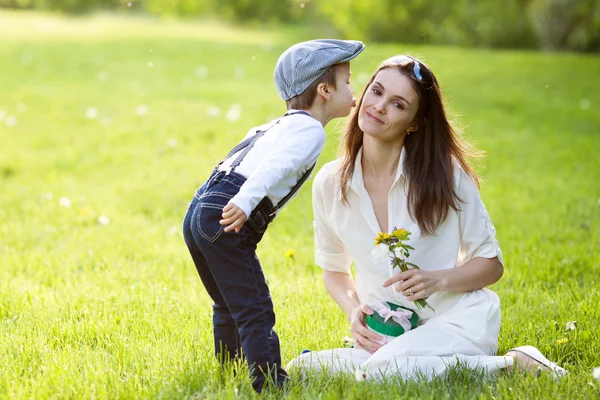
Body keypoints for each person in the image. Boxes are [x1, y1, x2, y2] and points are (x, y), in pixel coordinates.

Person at [287, 55, 567, 381]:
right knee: (301, 369)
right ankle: (389, 363)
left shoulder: (446, 174)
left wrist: (438, 279)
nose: (378, 106)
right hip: (391, 333)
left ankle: (512, 364)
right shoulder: (330, 183)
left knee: (382, 372)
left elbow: (491, 264)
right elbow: (334, 271)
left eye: (398, 104)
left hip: (457, 320)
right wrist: (354, 311)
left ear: (415, 122)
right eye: (376, 92)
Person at [181, 39, 364, 392]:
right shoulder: (310, 130)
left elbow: (238, 156)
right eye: (349, 81)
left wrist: (213, 205)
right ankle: (269, 384)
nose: (354, 88)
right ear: (325, 90)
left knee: (228, 302)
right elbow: (274, 167)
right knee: (256, 309)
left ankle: (229, 373)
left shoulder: (276, 125)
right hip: (231, 209)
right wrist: (245, 201)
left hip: (202, 209)